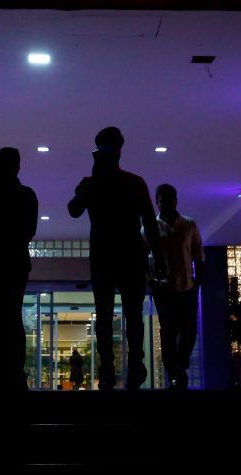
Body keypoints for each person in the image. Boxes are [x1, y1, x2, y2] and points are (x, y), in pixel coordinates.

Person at [67, 127, 161, 390]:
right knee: (114, 314)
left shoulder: (132, 182)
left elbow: (150, 222)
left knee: (122, 314)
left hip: (118, 255)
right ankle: (115, 366)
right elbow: (74, 209)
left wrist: (157, 255)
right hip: (116, 255)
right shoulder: (98, 182)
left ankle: (125, 365)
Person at [0, 147, 38, 391]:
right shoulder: (24, 195)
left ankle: (7, 371)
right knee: (6, 318)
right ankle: (10, 370)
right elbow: (28, 230)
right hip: (12, 262)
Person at [150, 183, 204, 390]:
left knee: (189, 330)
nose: (165, 204)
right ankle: (173, 372)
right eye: (161, 201)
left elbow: (199, 253)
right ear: (157, 203)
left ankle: (180, 364)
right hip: (163, 289)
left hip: (187, 286)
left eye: (169, 200)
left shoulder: (189, 225)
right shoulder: (150, 227)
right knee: (168, 332)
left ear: (176, 200)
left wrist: (198, 282)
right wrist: (152, 281)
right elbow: (142, 255)